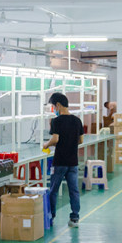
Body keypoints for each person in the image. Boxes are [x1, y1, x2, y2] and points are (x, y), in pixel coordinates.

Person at [43, 92, 84, 227]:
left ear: (58, 105)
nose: (53, 109)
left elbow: (55, 139)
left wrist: (46, 144)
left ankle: (51, 217)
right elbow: (81, 140)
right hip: (73, 162)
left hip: (60, 161)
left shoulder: (57, 121)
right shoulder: (77, 120)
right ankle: (74, 218)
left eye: (53, 106)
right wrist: (69, 143)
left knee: (53, 190)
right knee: (74, 190)